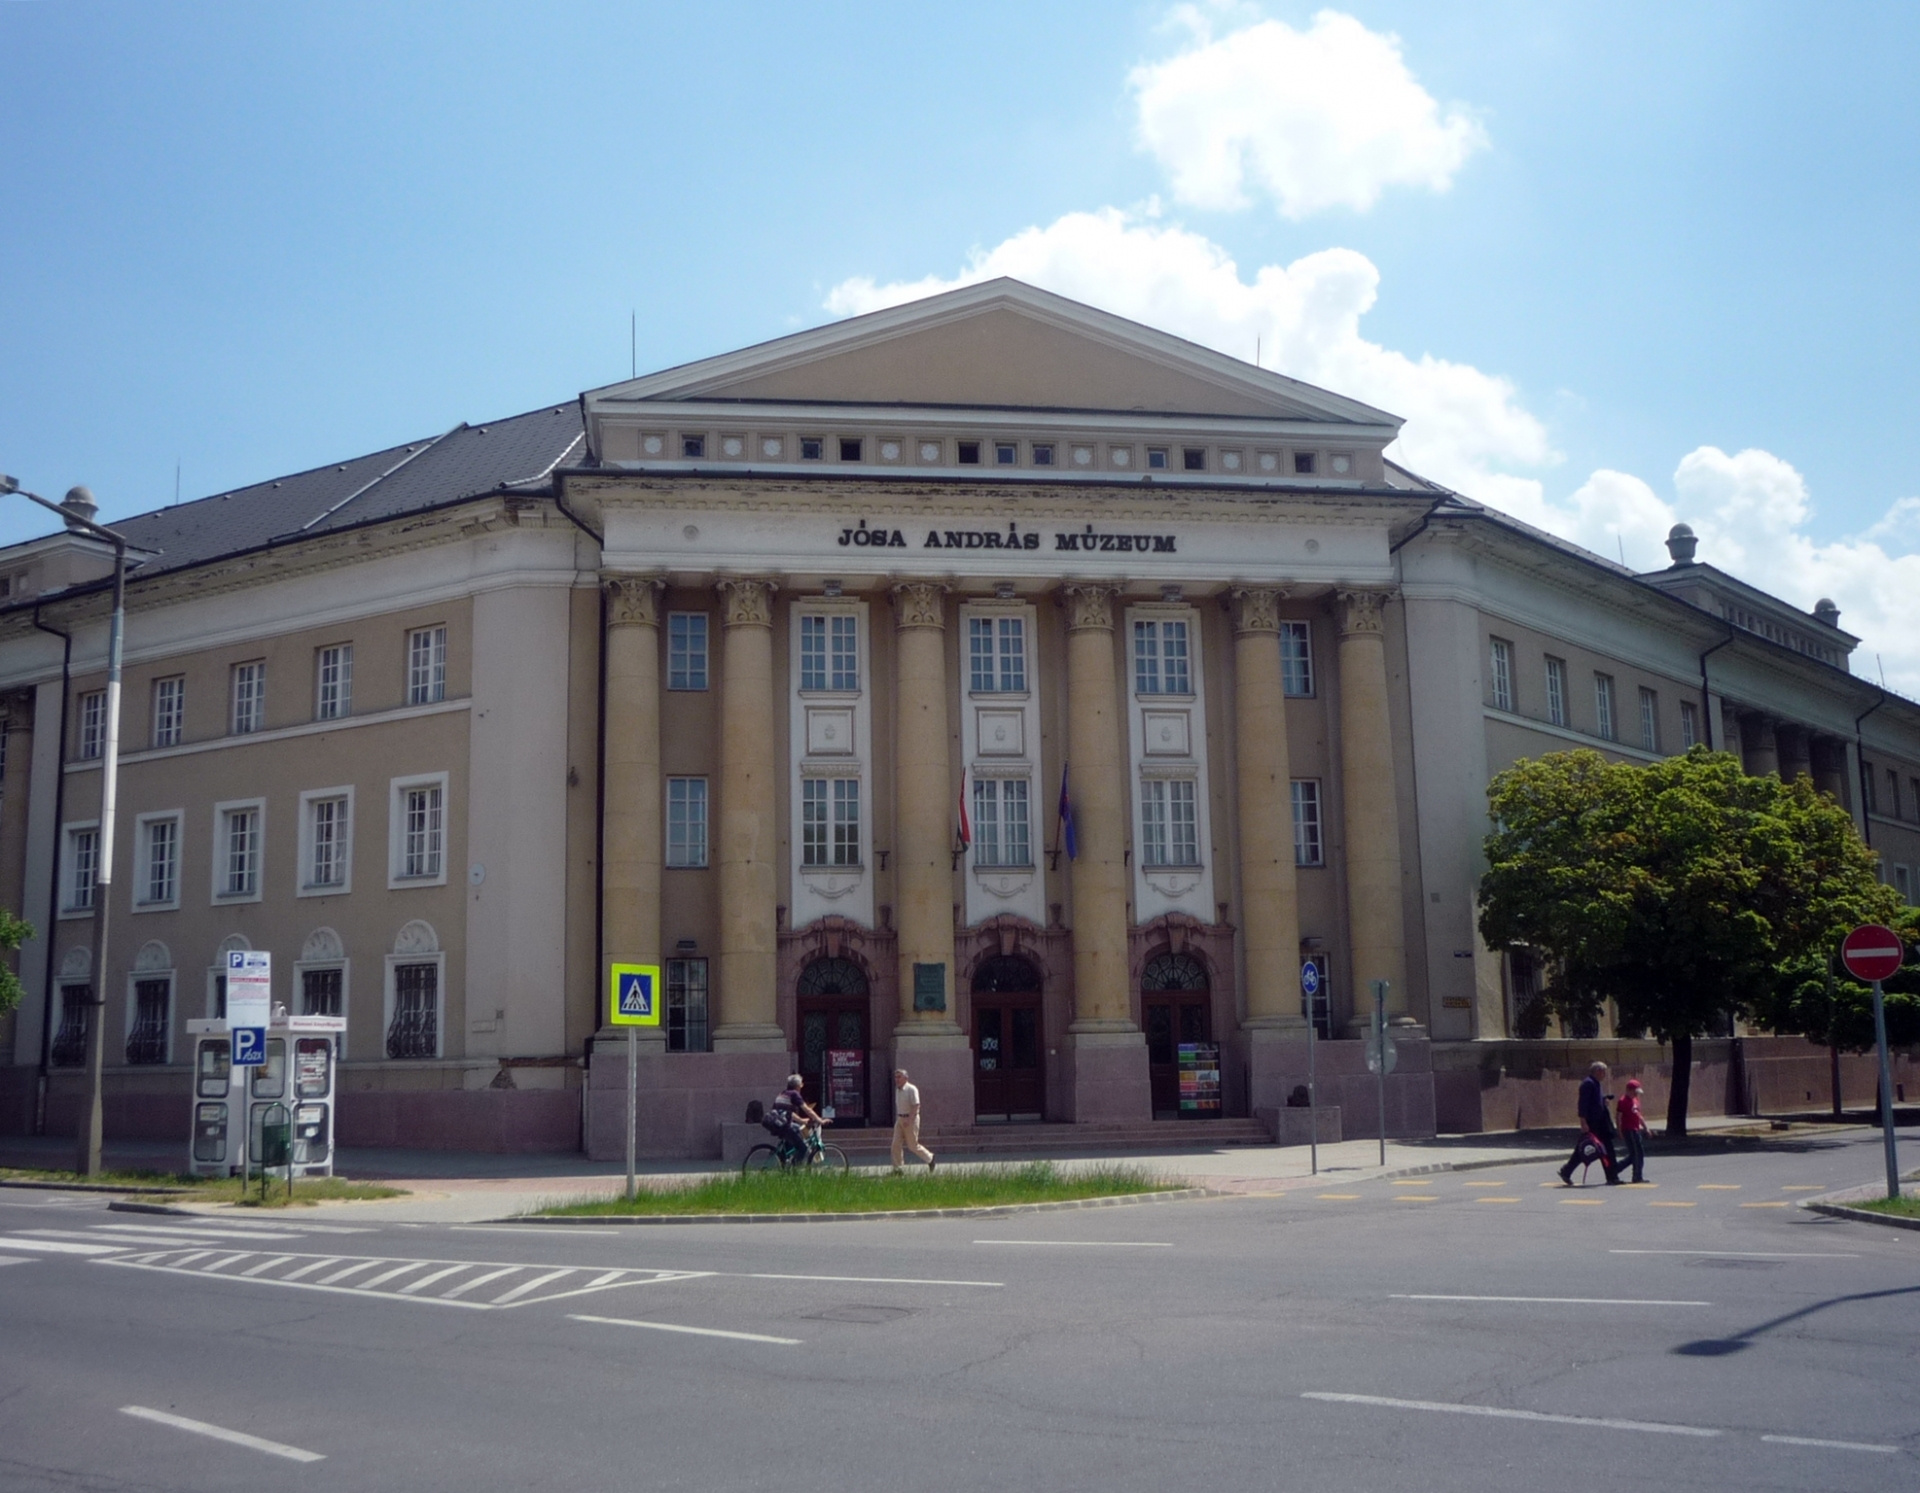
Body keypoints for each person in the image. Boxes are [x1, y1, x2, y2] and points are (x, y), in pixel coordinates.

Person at [1559, 1060, 1624, 1185]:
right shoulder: (1588, 1084)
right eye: (1604, 1072)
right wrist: (1583, 1122)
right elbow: (1582, 1104)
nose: (1605, 1074)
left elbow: (1595, 1100)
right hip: (1592, 1123)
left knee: (1605, 1149)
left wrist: (1603, 1100)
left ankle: (1612, 1176)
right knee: (1589, 1148)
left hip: (1601, 1122)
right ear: (1598, 1071)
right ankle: (1567, 1171)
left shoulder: (1596, 1083)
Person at [769, 1074, 826, 1163]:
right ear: (798, 1085)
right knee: (802, 1148)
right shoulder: (794, 1094)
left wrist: (801, 1120)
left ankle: (786, 1160)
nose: (802, 1086)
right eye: (801, 1084)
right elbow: (807, 1109)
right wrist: (820, 1120)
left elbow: (789, 1113)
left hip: (775, 1123)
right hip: (784, 1125)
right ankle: (794, 1170)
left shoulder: (783, 1093)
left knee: (796, 1128)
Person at [891, 1067, 936, 1172]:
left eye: (899, 1077)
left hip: (910, 1119)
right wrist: (901, 1119)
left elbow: (916, 1105)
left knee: (912, 1145)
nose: (897, 1079)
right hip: (900, 1120)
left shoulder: (912, 1089)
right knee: (895, 1145)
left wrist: (909, 1120)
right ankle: (898, 1169)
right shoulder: (897, 1090)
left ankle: (930, 1158)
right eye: (895, 1077)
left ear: (906, 1078)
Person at [1617, 1077, 1649, 1183]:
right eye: (1635, 1092)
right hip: (1628, 1130)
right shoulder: (1623, 1101)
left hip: (1636, 1130)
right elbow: (1618, 1117)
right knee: (1636, 1154)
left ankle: (1615, 1169)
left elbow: (1639, 1115)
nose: (1636, 1094)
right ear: (1629, 1090)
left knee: (1636, 1154)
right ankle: (1636, 1176)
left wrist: (1646, 1128)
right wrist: (1619, 1130)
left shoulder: (1635, 1100)